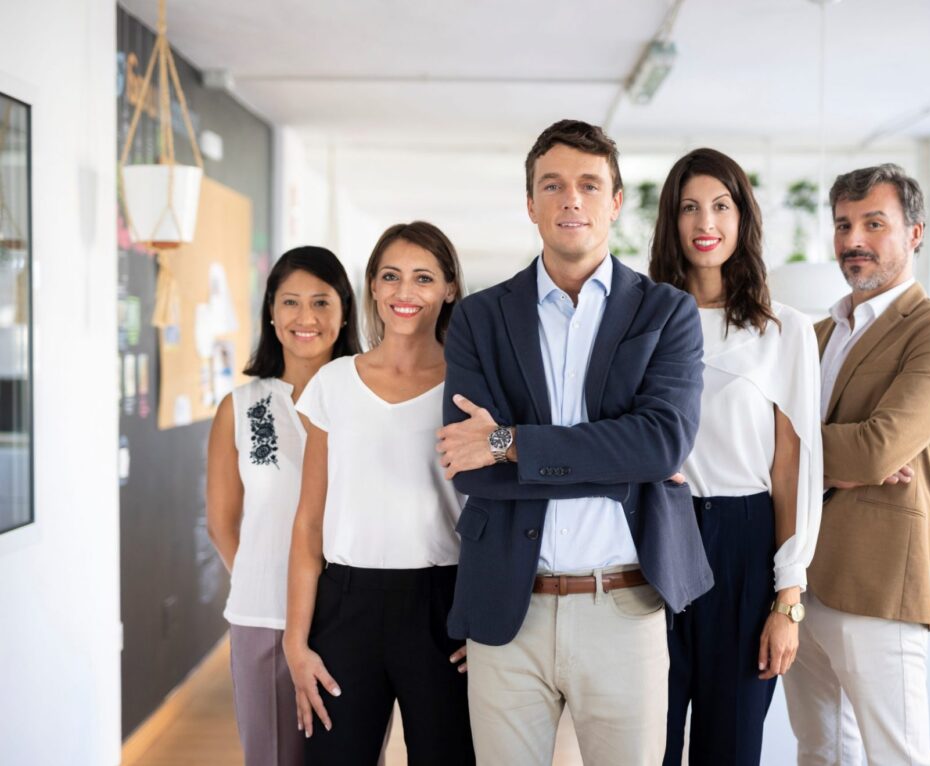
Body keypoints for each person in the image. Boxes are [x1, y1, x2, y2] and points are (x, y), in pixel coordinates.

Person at [435, 119, 713, 766]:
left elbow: (662, 445)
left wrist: (508, 443)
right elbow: (467, 465)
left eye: (590, 185)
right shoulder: (479, 317)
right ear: (529, 203)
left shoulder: (666, 313)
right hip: (509, 608)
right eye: (552, 185)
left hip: (624, 604)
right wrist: (616, 462)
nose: (571, 200)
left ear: (616, 202)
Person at [784, 164, 930, 766]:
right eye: (843, 224)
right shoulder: (813, 334)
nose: (853, 240)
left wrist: (808, 453)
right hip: (797, 580)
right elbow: (761, 441)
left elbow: (876, 449)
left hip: (876, 584)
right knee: (819, 751)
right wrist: (837, 457)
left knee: (898, 756)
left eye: (874, 223)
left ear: (915, 233)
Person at [648, 148, 823, 766]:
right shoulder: (642, 323)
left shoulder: (784, 330)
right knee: (650, 746)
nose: (706, 222)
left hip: (744, 548)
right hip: (655, 538)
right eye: (690, 207)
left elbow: (791, 472)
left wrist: (788, 601)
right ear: (671, 221)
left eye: (722, 206)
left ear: (743, 218)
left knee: (732, 749)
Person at [283, 222, 474, 765]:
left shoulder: (470, 387)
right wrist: (296, 643)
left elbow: (497, 515)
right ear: (371, 286)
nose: (404, 292)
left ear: (450, 288)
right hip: (344, 608)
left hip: (443, 606)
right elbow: (308, 525)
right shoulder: (334, 384)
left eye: (423, 278)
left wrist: (485, 622)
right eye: (390, 276)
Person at [207, 245, 361, 766]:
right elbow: (222, 522)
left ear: (344, 313)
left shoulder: (367, 402)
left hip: (351, 616)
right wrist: (268, 582)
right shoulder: (243, 408)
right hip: (263, 616)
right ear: (271, 313)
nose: (305, 318)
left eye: (321, 302)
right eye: (291, 302)